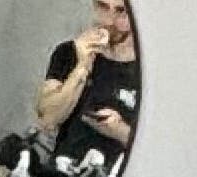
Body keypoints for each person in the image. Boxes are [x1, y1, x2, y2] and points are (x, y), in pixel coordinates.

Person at [37, 0, 140, 162]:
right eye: (103, 7)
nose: (109, 21)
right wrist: (82, 66)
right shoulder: (68, 52)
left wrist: (121, 131)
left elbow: (163, 149)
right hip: (62, 169)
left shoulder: (149, 71)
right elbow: (48, 119)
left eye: (121, 11)